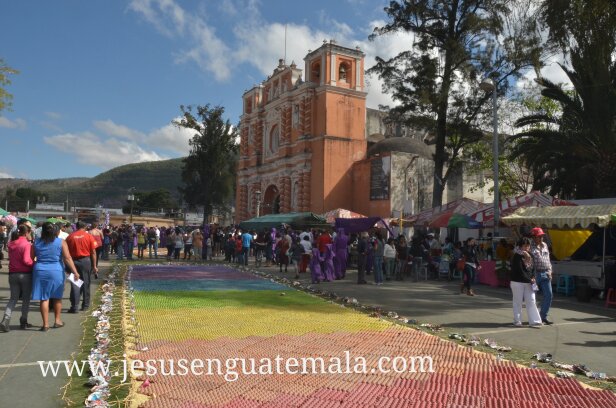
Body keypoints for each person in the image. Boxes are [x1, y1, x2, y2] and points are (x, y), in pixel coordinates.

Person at [31, 222, 79, 331]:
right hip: (56, 270)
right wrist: (75, 272)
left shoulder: (36, 242)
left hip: (40, 270)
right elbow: (67, 258)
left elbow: (32, 257)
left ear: (42, 231)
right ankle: (57, 320)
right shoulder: (61, 242)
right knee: (57, 297)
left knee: (44, 298)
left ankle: (45, 324)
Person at [0, 225, 34, 331]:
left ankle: (6, 319)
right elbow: (26, 260)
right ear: (27, 233)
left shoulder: (11, 244)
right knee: (26, 299)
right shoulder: (27, 244)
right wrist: (34, 263)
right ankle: (23, 320)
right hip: (25, 274)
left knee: (13, 298)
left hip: (13, 273)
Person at [66, 221, 98, 313]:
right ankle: (85, 305)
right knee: (86, 283)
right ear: (85, 227)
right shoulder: (88, 236)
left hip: (73, 261)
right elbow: (93, 252)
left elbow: (66, 252)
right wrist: (94, 265)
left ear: (76, 227)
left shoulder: (70, 237)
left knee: (75, 283)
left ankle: (74, 306)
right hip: (85, 261)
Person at [510, 237, 542, 327]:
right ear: (520, 246)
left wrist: (533, 277)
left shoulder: (531, 255)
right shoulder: (517, 256)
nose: (527, 247)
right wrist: (530, 279)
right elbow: (520, 270)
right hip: (517, 282)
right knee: (517, 302)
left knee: (532, 300)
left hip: (529, 282)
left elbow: (533, 268)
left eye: (528, 245)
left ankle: (535, 321)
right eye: (524, 245)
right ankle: (517, 321)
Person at [530, 227, 553, 325]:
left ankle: (543, 316)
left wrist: (550, 270)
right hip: (535, 274)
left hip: (546, 273)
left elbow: (548, 259)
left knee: (549, 295)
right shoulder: (530, 246)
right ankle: (534, 317)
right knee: (532, 297)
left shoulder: (545, 245)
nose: (541, 238)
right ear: (533, 237)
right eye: (538, 236)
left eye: (541, 236)